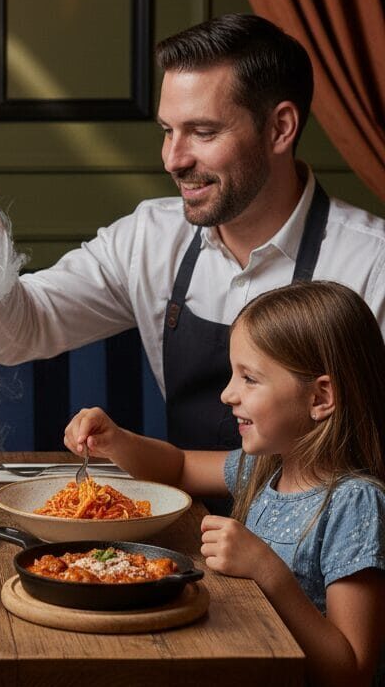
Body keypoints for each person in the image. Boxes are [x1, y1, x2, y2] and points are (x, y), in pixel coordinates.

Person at [0, 14, 385, 450]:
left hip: (320, 538)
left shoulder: (371, 264)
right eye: (167, 130)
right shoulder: (149, 239)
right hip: (183, 526)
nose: (174, 159)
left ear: (280, 128)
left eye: (202, 132)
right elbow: (11, 334)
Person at [64, 281, 385, 686]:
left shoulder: (355, 502)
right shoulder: (265, 467)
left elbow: (350, 671)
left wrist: (267, 571)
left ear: (320, 398)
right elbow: (179, 467)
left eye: (249, 378)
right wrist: (117, 440)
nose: (227, 394)